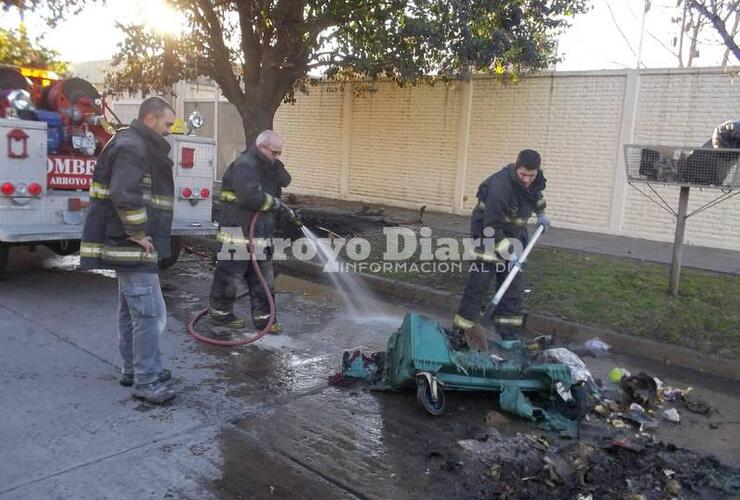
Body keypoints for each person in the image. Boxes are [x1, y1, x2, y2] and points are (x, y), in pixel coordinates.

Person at [80, 96, 177, 404]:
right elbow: (124, 193)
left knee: (130, 310)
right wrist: (138, 232)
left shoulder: (133, 143)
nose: (169, 130)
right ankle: (145, 380)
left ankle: (132, 369)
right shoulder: (132, 146)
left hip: (125, 241)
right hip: (130, 243)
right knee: (148, 314)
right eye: (167, 124)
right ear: (150, 119)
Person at [453, 149, 550, 344]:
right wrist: (509, 254)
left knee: (513, 286)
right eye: (523, 175)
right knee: (478, 285)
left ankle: (508, 333)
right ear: (516, 168)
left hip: (514, 237)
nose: (527, 180)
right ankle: (461, 332)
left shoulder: (534, 180)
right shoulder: (500, 187)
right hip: (487, 236)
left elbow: (536, 197)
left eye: (531, 175)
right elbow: (492, 226)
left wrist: (541, 213)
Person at [208, 130, 292, 333]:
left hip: (260, 234)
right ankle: (221, 314)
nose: (277, 156)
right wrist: (276, 204)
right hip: (237, 233)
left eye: (280, 153)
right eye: (275, 152)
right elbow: (250, 197)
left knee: (262, 279)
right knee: (230, 276)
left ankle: (265, 320)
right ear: (261, 147)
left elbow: (286, 180)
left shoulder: (266, 166)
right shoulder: (245, 165)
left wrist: (275, 165)